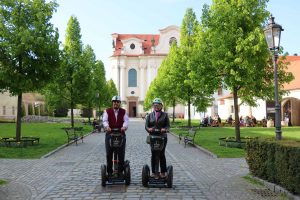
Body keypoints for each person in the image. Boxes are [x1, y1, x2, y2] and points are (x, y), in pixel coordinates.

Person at [102, 96, 129, 177]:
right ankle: (110, 171)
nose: (116, 103)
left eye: (117, 102)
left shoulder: (123, 111)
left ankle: (120, 171)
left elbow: (126, 121)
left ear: (120, 103)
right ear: (112, 103)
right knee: (109, 153)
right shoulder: (107, 111)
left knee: (121, 153)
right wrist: (107, 127)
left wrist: (124, 127)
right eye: (114, 102)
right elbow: (105, 120)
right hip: (110, 134)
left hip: (120, 134)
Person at [145, 98, 170, 179]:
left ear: (161, 106)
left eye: (158, 105)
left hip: (162, 137)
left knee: (161, 154)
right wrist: (149, 129)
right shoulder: (149, 115)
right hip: (153, 137)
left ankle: (163, 172)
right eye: (155, 105)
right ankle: (153, 172)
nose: (156, 106)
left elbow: (168, 126)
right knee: (153, 154)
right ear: (153, 106)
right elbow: (146, 126)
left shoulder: (165, 115)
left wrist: (165, 129)